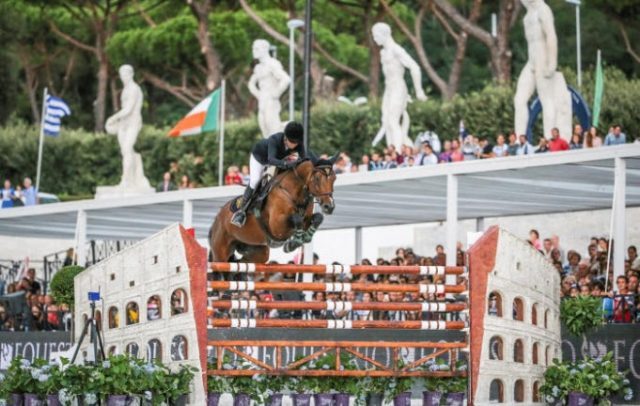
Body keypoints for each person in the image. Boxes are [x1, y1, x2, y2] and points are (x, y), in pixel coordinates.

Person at [230, 121, 308, 227]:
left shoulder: (298, 142)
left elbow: (304, 159)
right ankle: (241, 212)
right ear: (285, 137)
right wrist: (287, 163)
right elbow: (271, 160)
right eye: (291, 142)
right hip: (260, 159)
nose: (294, 145)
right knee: (255, 180)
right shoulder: (274, 140)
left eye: (296, 142)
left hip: (278, 161)